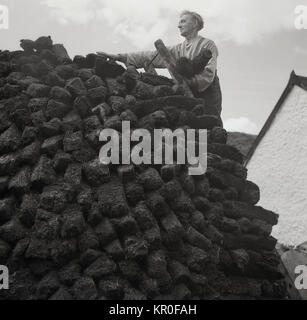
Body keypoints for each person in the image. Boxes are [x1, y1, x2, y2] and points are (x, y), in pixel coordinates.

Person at [97, 10, 222, 114]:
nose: (179, 25)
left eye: (183, 21)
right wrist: (120, 57)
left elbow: (208, 74)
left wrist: (188, 82)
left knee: (211, 123)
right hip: (187, 90)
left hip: (208, 92)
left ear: (195, 23)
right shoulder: (178, 49)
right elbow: (150, 55)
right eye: (179, 22)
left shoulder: (207, 45)